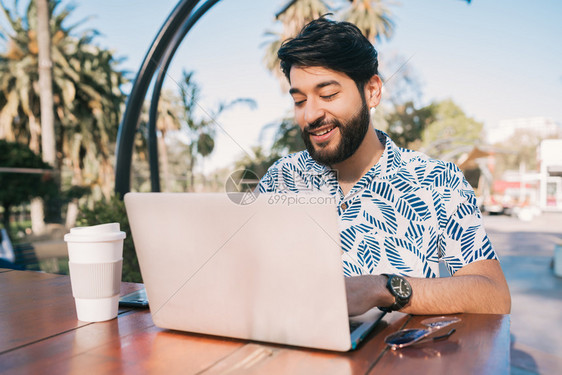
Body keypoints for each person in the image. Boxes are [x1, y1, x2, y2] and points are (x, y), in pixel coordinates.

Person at [258, 16, 511, 316]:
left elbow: (494, 296)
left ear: (372, 91)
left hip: (394, 360)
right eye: (300, 100)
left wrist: (382, 288)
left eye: (328, 94)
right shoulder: (282, 179)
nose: (310, 114)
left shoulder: (437, 180)